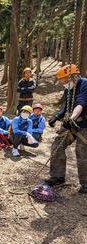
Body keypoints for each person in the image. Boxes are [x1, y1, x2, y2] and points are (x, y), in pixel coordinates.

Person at [45, 64, 87, 193]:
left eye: (63, 80)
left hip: (84, 124)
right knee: (57, 145)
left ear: (72, 77)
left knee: (81, 151)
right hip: (72, 123)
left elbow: (81, 103)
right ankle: (57, 177)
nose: (62, 83)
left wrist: (71, 118)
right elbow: (67, 105)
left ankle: (86, 184)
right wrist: (57, 116)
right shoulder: (69, 88)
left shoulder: (85, 85)